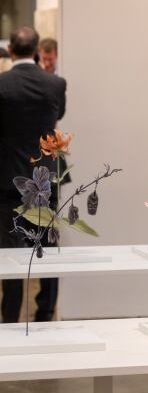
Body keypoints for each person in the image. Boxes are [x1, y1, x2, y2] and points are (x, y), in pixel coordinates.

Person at [0, 26, 66, 323]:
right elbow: (58, 116)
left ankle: (11, 316)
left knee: (10, 253)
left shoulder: (2, 85)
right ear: (38, 51)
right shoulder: (55, 84)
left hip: (6, 181)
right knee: (47, 248)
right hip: (44, 182)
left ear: (10, 51)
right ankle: (45, 314)